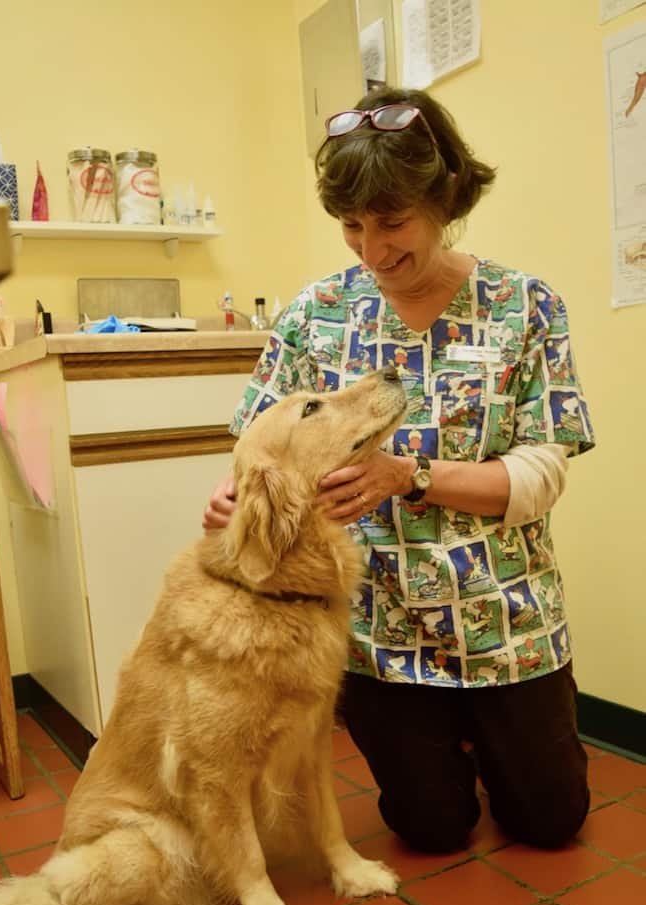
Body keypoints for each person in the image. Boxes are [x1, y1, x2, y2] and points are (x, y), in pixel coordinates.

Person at [203, 86, 595, 853]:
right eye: (351, 226)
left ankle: (504, 743)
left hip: (506, 622)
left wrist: (408, 475)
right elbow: (261, 440)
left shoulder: (526, 307)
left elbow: (544, 473)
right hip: (381, 632)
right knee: (431, 829)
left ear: (444, 197)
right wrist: (232, 493)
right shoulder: (317, 313)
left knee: (551, 821)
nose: (371, 249)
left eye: (392, 222)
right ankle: (441, 755)